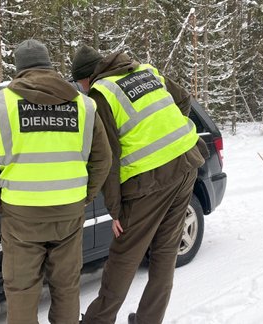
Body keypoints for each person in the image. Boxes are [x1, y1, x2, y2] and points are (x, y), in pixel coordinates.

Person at [0, 39, 111, 324]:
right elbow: (103, 159)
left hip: (21, 214)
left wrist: (0, 204)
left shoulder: (1, 104)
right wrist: (85, 196)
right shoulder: (84, 106)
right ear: (49, 65)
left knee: (21, 289)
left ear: (19, 69)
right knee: (66, 285)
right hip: (69, 212)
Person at [72, 46, 207, 324]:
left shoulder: (102, 93)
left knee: (123, 258)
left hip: (150, 181)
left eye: (79, 84)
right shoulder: (145, 70)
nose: (81, 89)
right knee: (165, 252)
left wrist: (116, 210)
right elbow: (183, 98)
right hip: (186, 164)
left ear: (86, 79)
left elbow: (108, 157)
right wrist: (168, 131)